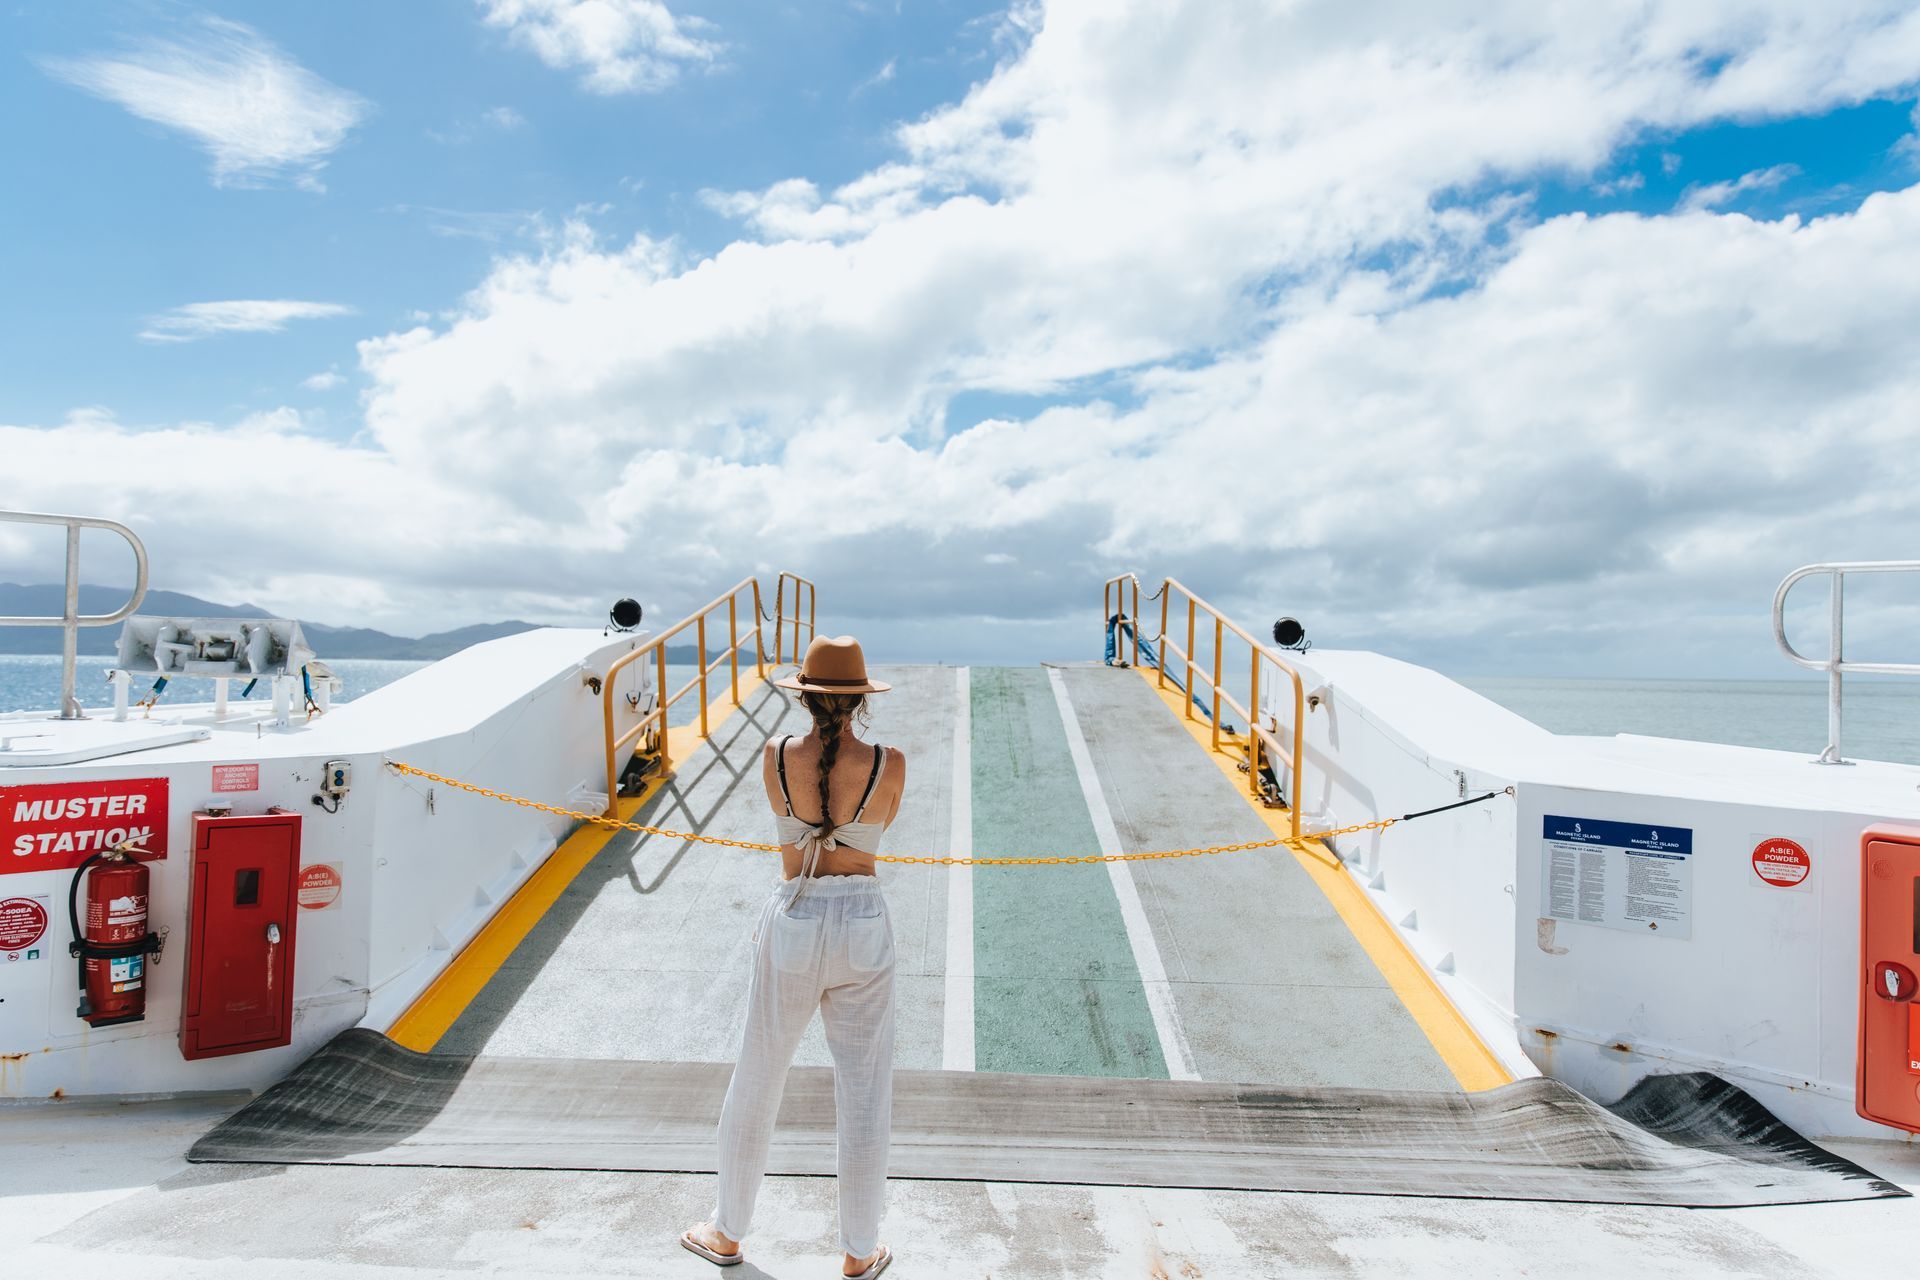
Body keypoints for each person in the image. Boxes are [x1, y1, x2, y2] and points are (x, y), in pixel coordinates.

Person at [681, 635, 906, 1279]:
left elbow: (795, 820)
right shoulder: (890, 764)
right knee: (864, 1091)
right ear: (860, 699)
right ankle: (860, 1251)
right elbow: (879, 824)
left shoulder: (774, 756)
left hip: (796, 914)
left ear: (803, 694)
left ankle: (727, 1232)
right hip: (863, 918)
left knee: (758, 1074)